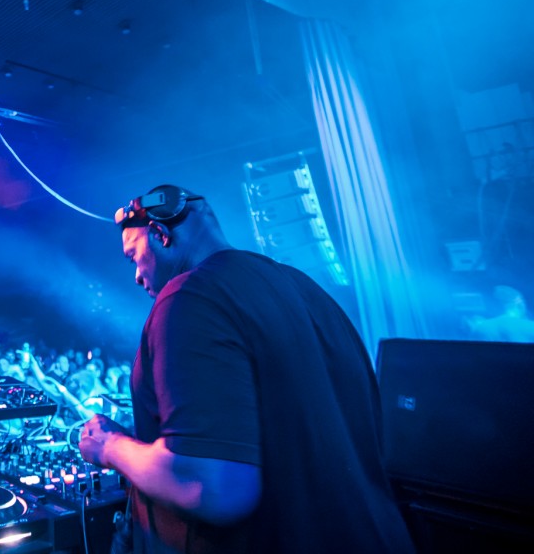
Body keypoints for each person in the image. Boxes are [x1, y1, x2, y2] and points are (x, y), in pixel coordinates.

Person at [78, 185, 414, 554]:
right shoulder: (310, 291)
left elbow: (212, 487)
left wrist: (110, 446)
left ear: (160, 234)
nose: (137, 276)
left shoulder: (190, 297)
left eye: (133, 256)